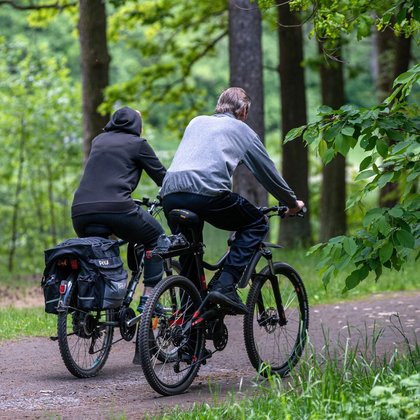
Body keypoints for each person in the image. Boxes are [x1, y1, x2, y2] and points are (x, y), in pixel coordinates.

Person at [161, 87, 305, 314]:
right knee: (256, 222)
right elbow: (268, 174)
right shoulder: (242, 130)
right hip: (206, 194)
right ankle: (225, 284)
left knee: (190, 257)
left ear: (219, 105)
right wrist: (292, 203)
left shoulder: (196, 122)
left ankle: (189, 338)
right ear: (244, 109)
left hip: (169, 194)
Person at [71, 106, 166, 312]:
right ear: (136, 126)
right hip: (117, 208)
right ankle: (149, 300)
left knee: (104, 254)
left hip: (80, 211)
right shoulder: (138, 144)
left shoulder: (98, 141)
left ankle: (105, 308)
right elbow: (162, 178)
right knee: (156, 238)